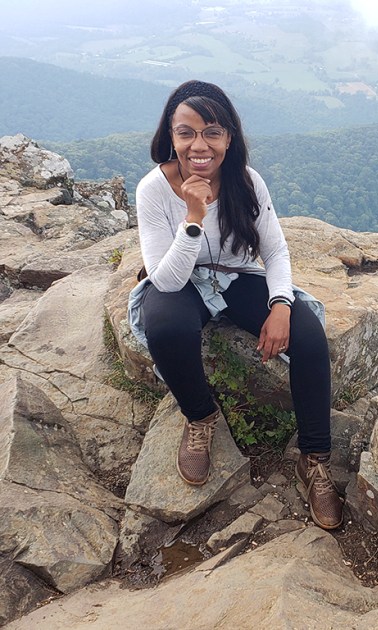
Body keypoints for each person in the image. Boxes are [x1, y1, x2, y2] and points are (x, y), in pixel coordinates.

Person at [131, 80, 342, 530]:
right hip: (181, 278)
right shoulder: (153, 190)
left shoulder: (247, 183)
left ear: (230, 137)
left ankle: (314, 459)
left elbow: (276, 252)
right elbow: (165, 280)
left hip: (238, 277)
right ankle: (200, 416)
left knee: (307, 337)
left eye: (213, 131)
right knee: (165, 327)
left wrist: (281, 305)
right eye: (186, 132)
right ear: (170, 136)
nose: (199, 145)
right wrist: (193, 217)